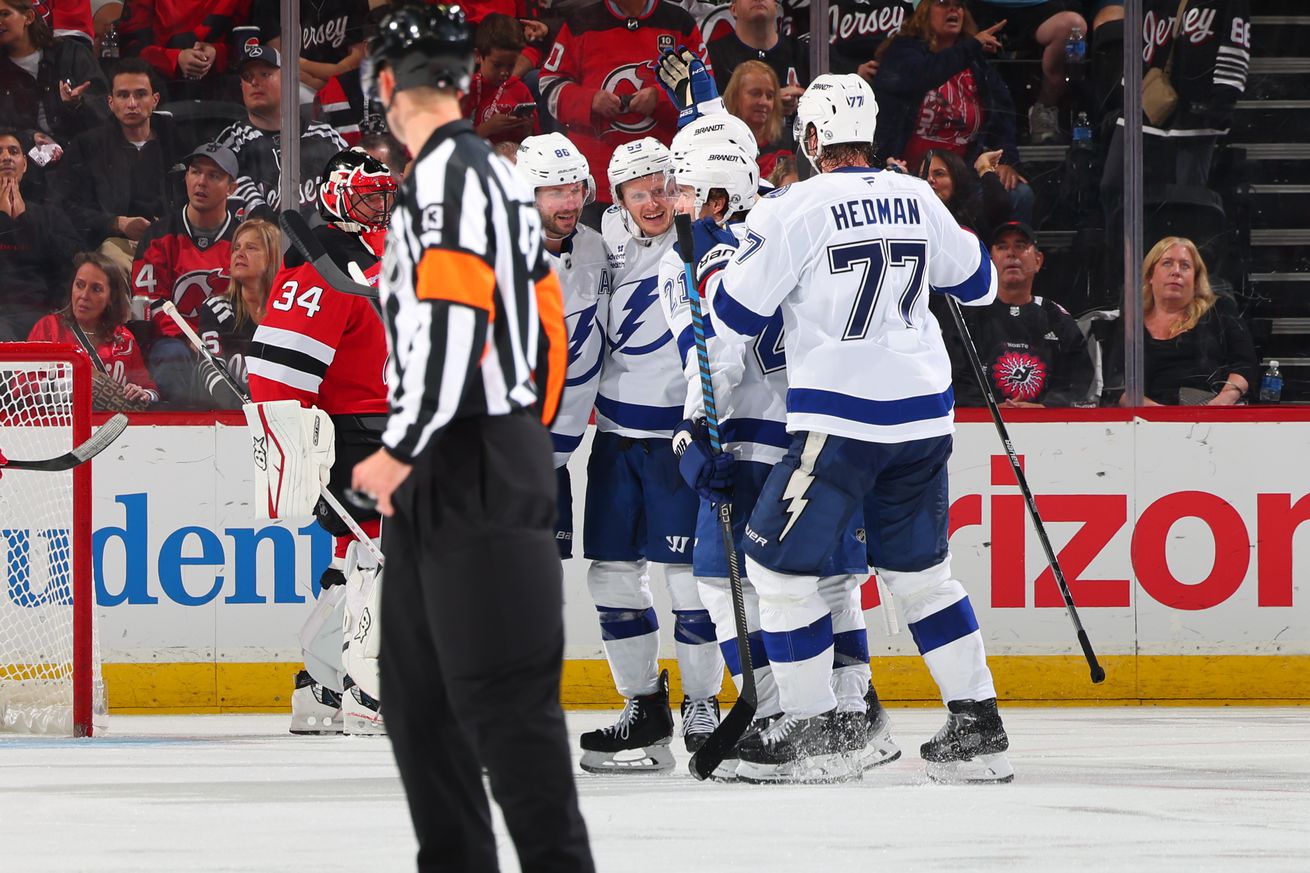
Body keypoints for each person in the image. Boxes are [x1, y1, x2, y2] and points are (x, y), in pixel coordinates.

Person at [703, 72, 1013, 784]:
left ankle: (812, 729)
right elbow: (980, 285)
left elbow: (734, 319)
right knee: (922, 574)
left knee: (776, 567)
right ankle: (977, 720)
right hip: (926, 417)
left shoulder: (793, 208)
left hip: (841, 419)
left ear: (811, 140)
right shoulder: (915, 195)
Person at [348, 6, 593, 871]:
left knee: (506, 708)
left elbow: (456, 322)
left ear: (385, 86)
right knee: (419, 704)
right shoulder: (472, 176)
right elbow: (546, 322)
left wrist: (402, 444)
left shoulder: (454, 179)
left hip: (468, 456)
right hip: (467, 457)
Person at [654, 91, 900, 781]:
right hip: (827, 424)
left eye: (683, 185)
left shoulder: (694, 257)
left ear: (711, 191)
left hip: (750, 437)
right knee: (827, 579)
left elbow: (711, 357)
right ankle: (854, 711)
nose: (672, 198)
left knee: (720, 578)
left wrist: (692, 437)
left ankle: (779, 715)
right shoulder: (782, 218)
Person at [577, 136, 724, 773]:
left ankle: (702, 704)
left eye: (664, 185)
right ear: (620, 199)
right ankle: (644, 707)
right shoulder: (599, 244)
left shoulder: (701, 239)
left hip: (676, 439)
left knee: (687, 579)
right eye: (640, 190)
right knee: (610, 575)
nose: (654, 199)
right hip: (613, 437)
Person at [245, 149, 396, 735]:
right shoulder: (319, 272)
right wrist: (299, 454)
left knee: (357, 556)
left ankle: (320, 686)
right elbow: (276, 378)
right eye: (366, 195)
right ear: (334, 196)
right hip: (349, 436)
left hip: (387, 429)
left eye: (384, 194)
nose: (379, 206)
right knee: (383, 557)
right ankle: (368, 690)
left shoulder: (374, 259)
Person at [515, 132, 611, 563]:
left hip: (556, 457)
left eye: (575, 189)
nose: (569, 202)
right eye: (555, 191)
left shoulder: (596, 247)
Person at [538, 0, 709, 214]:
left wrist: (662, 96)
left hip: (666, 180)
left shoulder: (679, 22)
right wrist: (589, 101)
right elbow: (549, 83)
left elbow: (704, 88)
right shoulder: (580, 23)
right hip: (594, 183)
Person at [873, 0, 1031, 221]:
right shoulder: (902, 52)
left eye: (958, 5)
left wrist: (1007, 163)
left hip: (962, 183)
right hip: (906, 179)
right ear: (923, 12)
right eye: (943, 3)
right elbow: (923, 75)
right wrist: (971, 46)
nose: (954, 9)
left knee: (1019, 195)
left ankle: (998, 255)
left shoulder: (975, 63)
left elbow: (1003, 118)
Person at [132, 141, 239, 403]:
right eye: (195, 172)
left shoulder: (242, 238)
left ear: (232, 188)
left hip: (226, 340)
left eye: (213, 175)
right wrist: (190, 338)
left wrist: (212, 342)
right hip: (173, 342)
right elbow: (148, 301)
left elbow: (250, 298)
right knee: (171, 356)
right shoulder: (159, 235)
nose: (201, 182)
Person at [54, 58, 184, 271]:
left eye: (140, 94)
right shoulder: (87, 146)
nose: (132, 104)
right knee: (112, 264)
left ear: (155, 100)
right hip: (114, 244)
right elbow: (65, 207)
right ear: (110, 102)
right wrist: (117, 223)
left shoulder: (177, 142)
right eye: (123, 95)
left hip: (173, 240)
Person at [951, 220, 1093, 407]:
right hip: (982, 429)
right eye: (1002, 247)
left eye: (1020, 246)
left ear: (1038, 260)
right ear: (990, 261)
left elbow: (1077, 379)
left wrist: (1045, 408)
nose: (1011, 253)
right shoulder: (966, 314)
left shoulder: (1057, 319)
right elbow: (953, 377)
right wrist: (987, 409)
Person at [215, 45, 349, 216]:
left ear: (288, 80)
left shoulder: (326, 136)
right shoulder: (232, 143)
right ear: (241, 87)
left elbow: (355, 194)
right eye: (247, 77)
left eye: (265, 74)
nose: (254, 82)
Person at [1132, 236, 1257, 407]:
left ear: (1196, 279)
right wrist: (1163, 417)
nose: (1176, 271)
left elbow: (1245, 365)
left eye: (1185, 266)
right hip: (1146, 421)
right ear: (1150, 276)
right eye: (1167, 263)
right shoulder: (1131, 323)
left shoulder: (1220, 310)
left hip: (1213, 414)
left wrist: (1218, 405)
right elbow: (1119, 388)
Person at [27, 251, 159, 408]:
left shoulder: (124, 339)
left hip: (113, 430)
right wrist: (78, 386)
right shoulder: (49, 328)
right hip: (60, 429)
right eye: (80, 285)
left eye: (96, 289)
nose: (84, 295)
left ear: (111, 298)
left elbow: (152, 391)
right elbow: (20, 386)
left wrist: (142, 394)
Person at [0, 128, 83, 340]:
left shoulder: (49, 214)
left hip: (44, 312)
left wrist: (24, 220)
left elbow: (70, 259)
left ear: (25, 164)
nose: (6, 157)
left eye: (13, 151)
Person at [968, 0, 1089, 144]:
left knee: (1073, 26)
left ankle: (1045, 108)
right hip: (981, 6)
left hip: (1040, 6)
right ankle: (964, 114)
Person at [253, 0, 369, 141]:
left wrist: (301, 63)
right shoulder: (281, 4)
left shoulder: (352, 3)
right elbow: (280, 62)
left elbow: (354, 61)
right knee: (289, 94)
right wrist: (321, 77)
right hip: (304, 84)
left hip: (347, 85)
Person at [0, 0, 106, 150]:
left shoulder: (72, 53)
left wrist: (78, 103)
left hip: (79, 153)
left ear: (29, 17)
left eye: (5, 14)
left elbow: (105, 110)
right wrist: (29, 137)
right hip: (24, 159)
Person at [196, 217, 278, 408]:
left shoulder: (287, 311)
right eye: (236, 248)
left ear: (272, 257)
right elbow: (210, 367)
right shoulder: (217, 308)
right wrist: (242, 412)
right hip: (228, 419)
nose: (239, 254)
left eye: (251, 248)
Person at [117, 0, 251, 101]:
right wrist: (174, 59)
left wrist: (216, 53)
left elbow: (250, 47)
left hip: (225, 93)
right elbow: (130, 49)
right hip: (159, 92)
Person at [707, 0, 806, 114]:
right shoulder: (713, 57)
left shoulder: (804, 52)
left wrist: (803, 103)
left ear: (776, 6)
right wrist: (769, 102)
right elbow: (706, 109)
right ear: (734, 9)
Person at [460, 13, 538, 145]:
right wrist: (485, 129)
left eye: (511, 65)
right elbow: (453, 144)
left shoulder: (521, 91)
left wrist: (528, 130)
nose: (504, 72)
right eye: (497, 65)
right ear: (478, 56)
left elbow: (535, 144)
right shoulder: (465, 92)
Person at [723, 59, 794, 179]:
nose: (764, 102)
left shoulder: (790, 143)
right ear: (735, 97)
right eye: (755, 93)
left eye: (770, 96)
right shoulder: (720, 144)